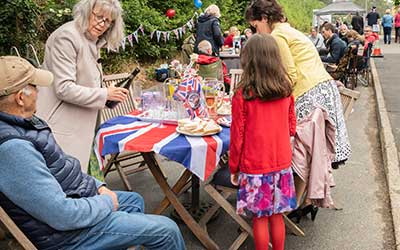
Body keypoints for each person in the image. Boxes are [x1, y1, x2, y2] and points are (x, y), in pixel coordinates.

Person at [0, 56, 185, 250]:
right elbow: (61, 215)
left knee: (133, 200)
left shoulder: (26, 123)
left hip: (74, 201)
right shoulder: (13, 148)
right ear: (21, 97)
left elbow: (65, 167)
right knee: (167, 230)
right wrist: (105, 202)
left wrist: (98, 186)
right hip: (65, 237)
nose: (39, 91)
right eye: (35, 86)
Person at [245, 0, 351, 171]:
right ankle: (302, 189)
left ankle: (281, 181)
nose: (255, 32)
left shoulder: (277, 36)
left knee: (286, 142)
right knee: (313, 152)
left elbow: (290, 76)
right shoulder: (288, 30)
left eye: (255, 26)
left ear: (264, 18)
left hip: (310, 93)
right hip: (322, 89)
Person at [36, 0, 130, 173]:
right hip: (61, 129)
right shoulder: (67, 36)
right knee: (67, 189)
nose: (102, 24)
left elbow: (84, 80)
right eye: (99, 16)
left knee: (86, 188)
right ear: (87, 11)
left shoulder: (91, 40)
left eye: (108, 21)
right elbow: (64, 88)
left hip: (82, 130)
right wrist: (104, 94)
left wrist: (108, 92)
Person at [229, 33, 297, 250]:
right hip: (282, 163)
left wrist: (234, 167)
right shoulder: (286, 89)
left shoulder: (243, 94)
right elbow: (292, 126)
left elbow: (237, 136)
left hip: (255, 164)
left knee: (260, 217)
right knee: (277, 216)